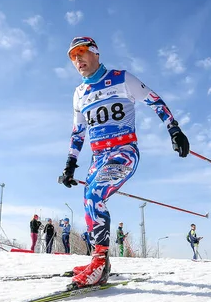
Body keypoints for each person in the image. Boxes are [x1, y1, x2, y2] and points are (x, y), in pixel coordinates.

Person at [60, 36, 189, 288]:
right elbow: (78, 132)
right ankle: (99, 259)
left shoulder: (122, 78)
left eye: (82, 53)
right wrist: (70, 164)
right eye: (73, 56)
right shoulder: (79, 93)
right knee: (89, 198)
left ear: (95, 53)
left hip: (123, 152)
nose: (78, 59)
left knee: (95, 194)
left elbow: (155, 100)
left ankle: (99, 266)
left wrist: (174, 130)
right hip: (98, 157)